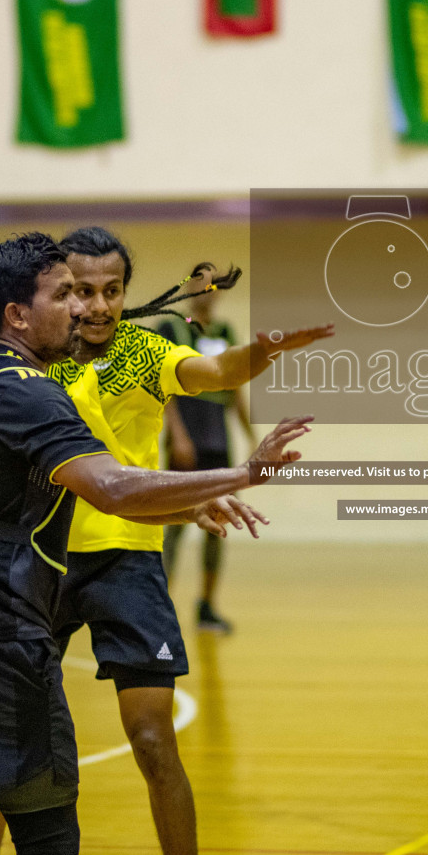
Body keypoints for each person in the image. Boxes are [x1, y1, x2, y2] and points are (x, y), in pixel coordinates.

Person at [0, 184, 332, 855]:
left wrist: (262, 354)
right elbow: (112, 484)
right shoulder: (29, 376)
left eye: (102, 291)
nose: (88, 305)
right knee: (20, 799)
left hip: (68, 567)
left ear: (124, 294)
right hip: (15, 588)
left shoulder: (114, 354)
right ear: (25, 311)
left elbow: (213, 371)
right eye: (72, 291)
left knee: (138, 744)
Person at [156, 264, 255, 635]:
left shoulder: (226, 331)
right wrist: (177, 435)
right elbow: (162, 388)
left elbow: (236, 386)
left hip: (217, 441)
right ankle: (161, 611)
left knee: (219, 523)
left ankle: (207, 607)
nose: (209, 289)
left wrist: (251, 435)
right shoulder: (171, 328)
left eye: (215, 284)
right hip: (187, 443)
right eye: (202, 281)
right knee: (175, 526)